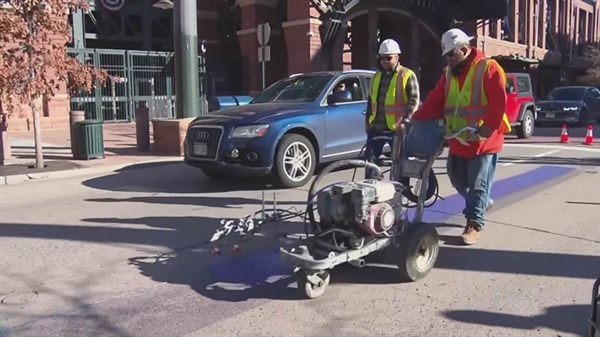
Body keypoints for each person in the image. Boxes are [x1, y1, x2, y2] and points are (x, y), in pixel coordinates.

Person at [412, 28, 512, 245]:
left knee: (477, 184)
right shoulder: (449, 73)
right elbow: (435, 100)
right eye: (446, 55)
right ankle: (481, 203)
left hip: (484, 139)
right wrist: (415, 119)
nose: (448, 59)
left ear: (465, 49)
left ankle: (474, 223)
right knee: (456, 177)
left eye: (451, 54)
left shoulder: (489, 68)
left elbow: (498, 101)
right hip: (459, 137)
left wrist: (489, 127)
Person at [364, 39, 420, 179]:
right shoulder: (376, 76)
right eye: (382, 58)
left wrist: (405, 121)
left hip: (397, 128)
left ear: (397, 57)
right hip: (376, 127)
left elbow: (414, 100)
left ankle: (400, 189)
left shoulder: (406, 75)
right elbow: (371, 101)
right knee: (370, 162)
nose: (384, 61)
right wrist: (367, 122)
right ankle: (372, 189)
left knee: (399, 163)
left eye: (388, 58)